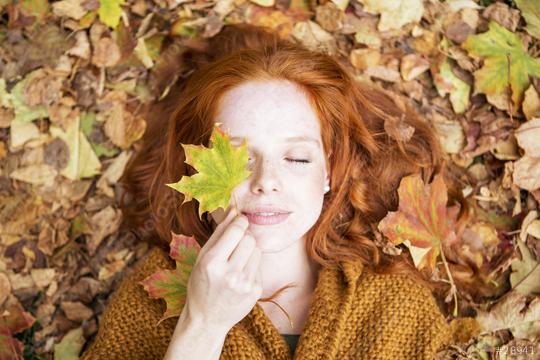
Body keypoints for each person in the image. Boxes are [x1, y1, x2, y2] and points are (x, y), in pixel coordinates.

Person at [80, 23, 479, 360]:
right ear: (196, 168)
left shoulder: (393, 304)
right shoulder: (147, 300)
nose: (266, 180)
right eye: (240, 159)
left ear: (328, 171)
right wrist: (202, 324)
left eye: (297, 159)